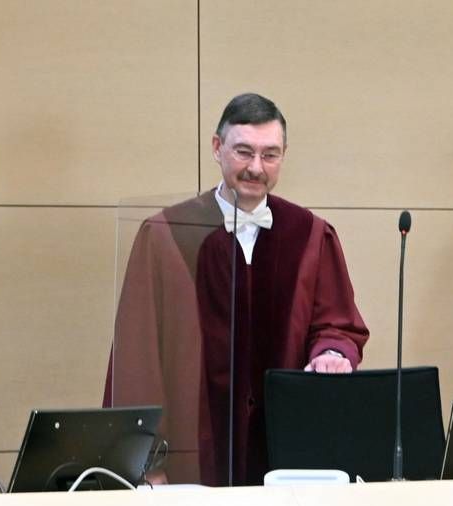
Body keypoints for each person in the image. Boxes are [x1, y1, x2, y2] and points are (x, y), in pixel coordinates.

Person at [106, 93, 369, 485]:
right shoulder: (165, 236)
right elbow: (137, 355)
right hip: (191, 457)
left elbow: (337, 324)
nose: (256, 168)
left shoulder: (310, 235)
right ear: (217, 148)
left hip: (286, 456)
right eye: (244, 152)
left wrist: (331, 351)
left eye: (270, 154)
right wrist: (145, 460)